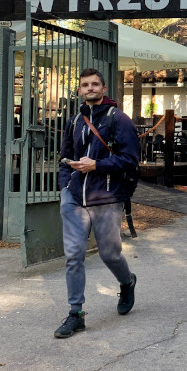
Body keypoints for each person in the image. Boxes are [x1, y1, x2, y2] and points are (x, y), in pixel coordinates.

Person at [54, 68, 141, 338]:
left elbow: (131, 160)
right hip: (74, 198)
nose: (89, 88)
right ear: (79, 91)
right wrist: (65, 187)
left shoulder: (120, 120)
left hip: (106, 197)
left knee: (109, 254)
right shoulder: (74, 121)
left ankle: (127, 282)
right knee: (73, 255)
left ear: (104, 89)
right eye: (84, 85)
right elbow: (65, 157)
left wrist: (98, 165)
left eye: (94, 84)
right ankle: (75, 313)